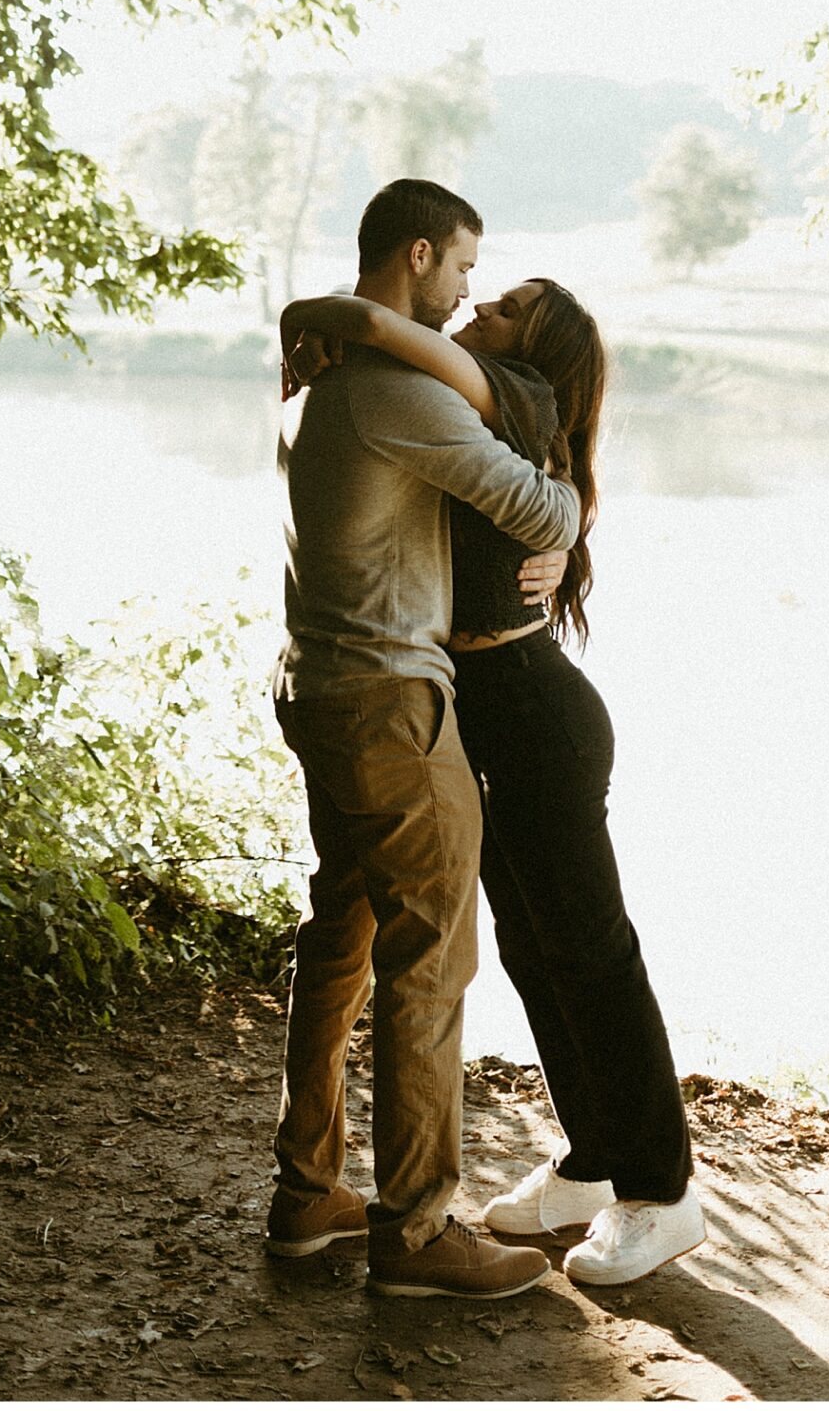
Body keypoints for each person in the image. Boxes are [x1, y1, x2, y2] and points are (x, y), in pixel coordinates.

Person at [277, 270, 705, 1289]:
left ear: (534, 349)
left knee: (592, 949)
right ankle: (594, 1158)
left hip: (532, 711)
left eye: (505, 304)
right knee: (531, 944)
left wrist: (319, 318)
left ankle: (663, 1188)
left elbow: (382, 323)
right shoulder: (486, 403)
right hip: (478, 710)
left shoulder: (500, 388)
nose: (480, 307)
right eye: (484, 291)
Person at [267, 179, 582, 1300]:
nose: (463, 294)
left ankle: (307, 1195)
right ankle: (415, 1229)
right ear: (415, 255)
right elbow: (539, 512)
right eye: (459, 270)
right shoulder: (398, 386)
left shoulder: (316, 382)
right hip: (393, 703)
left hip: (320, 685)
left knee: (343, 935)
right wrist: (570, 514)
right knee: (432, 956)